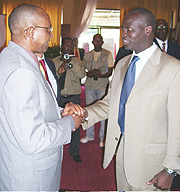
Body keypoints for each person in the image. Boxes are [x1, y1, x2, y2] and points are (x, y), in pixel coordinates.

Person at [81, 8, 180, 190]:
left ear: (148, 30)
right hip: (122, 155)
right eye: (122, 29)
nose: (123, 34)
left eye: (129, 29)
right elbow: (111, 103)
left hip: (153, 164)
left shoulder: (173, 69)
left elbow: (178, 123)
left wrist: (171, 169)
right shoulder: (122, 65)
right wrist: (83, 113)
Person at [0, 4, 83, 191]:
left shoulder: (8, 57)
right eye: (48, 29)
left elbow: (27, 112)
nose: (52, 35)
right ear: (30, 32)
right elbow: (33, 139)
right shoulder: (21, 71)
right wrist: (70, 122)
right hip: (30, 178)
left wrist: (61, 112)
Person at [53, 37, 85, 162]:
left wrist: (72, 65)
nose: (69, 48)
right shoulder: (54, 61)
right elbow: (50, 78)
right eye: (66, 45)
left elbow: (82, 75)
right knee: (56, 125)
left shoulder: (78, 61)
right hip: (59, 98)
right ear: (62, 47)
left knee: (75, 126)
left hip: (74, 97)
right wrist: (60, 70)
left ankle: (74, 151)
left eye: (71, 46)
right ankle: (56, 150)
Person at [80, 34, 114, 148]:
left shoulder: (108, 54)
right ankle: (89, 135)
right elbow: (83, 68)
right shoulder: (88, 55)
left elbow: (110, 72)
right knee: (89, 111)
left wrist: (98, 74)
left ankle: (102, 137)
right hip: (90, 85)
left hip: (102, 86)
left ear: (102, 42)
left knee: (103, 112)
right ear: (93, 42)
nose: (97, 42)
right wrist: (89, 73)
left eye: (99, 40)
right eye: (95, 40)